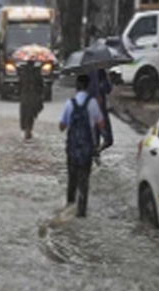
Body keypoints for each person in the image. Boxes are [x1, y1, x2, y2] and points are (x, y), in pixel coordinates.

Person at [59, 73, 105, 219]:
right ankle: (81, 213)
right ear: (88, 87)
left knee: (71, 180)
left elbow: (62, 126)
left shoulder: (69, 103)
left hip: (72, 150)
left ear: (76, 87)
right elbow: (101, 125)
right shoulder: (93, 103)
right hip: (86, 151)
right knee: (84, 182)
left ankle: (68, 209)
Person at [18, 60, 44, 140]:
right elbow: (41, 85)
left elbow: (20, 84)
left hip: (27, 95)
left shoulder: (23, 71)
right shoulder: (36, 72)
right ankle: (28, 129)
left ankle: (27, 129)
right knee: (30, 113)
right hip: (31, 95)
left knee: (27, 112)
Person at [89, 67, 113, 151]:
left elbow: (108, 89)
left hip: (97, 103)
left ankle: (95, 150)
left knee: (98, 134)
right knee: (104, 136)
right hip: (97, 104)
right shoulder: (91, 70)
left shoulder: (100, 70)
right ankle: (95, 150)